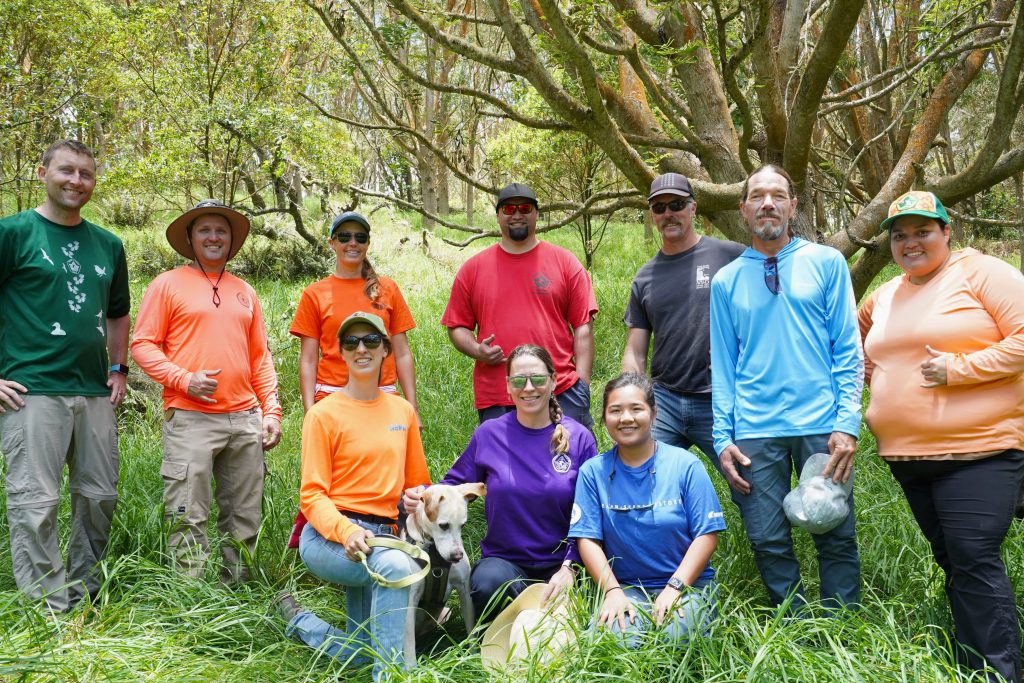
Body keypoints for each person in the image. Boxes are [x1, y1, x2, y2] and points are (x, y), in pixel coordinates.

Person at [859, 191, 1024, 683]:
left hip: (980, 449)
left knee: (972, 558)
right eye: (900, 235)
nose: (911, 243)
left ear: (947, 232)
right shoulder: (887, 294)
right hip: (907, 456)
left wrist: (961, 368)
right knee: (954, 560)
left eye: (923, 231)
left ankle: (999, 673)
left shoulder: (981, 272)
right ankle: (972, 662)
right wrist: (880, 388)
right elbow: (858, 342)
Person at [709, 164, 863, 611]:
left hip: (821, 424)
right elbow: (723, 365)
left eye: (778, 194)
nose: (768, 203)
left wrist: (847, 423)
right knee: (766, 536)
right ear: (743, 209)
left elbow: (847, 350)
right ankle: (793, 627)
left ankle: (842, 626)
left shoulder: (826, 262)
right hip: (755, 429)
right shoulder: (726, 281)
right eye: (757, 196)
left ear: (794, 205)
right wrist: (722, 437)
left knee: (833, 528)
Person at [0, 140, 130, 612]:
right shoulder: (12, 233)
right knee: (36, 503)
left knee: (99, 497)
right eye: (67, 171)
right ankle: (49, 607)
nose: (77, 181)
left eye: (86, 174)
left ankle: (86, 592)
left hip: (94, 393)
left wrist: (119, 368)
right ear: (42, 172)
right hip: (30, 392)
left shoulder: (109, 245)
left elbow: (117, 313)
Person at [131, 199, 282, 582]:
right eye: (205, 230)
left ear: (232, 240)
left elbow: (260, 356)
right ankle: (190, 595)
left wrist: (272, 411)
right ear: (190, 238)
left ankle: (238, 592)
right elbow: (143, 345)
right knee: (187, 512)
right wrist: (184, 379)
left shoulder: (245, 291)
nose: (214, 237)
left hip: (245, 417)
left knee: (245, 515)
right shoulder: (167, 284)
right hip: (190, 417)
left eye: (221, 231)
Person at [279, 311, 430, 682]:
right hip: (330, 538)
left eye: (371, 341)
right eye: (351, 342)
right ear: (341, 354)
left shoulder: (402, 412)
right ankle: (394, 675)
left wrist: (416, 498)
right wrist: (347, 532)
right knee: (398, 569)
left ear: (386, 351)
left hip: (383, 534)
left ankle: (299, 621)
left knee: (362, 650)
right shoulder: (322, 415)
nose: (361, 348)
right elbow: (312, 496)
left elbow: (418, 484)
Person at [404, 344, 598, 620]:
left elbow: (593, 513)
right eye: (519, 380)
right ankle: (521, 621)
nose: (528, 387)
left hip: (562, 563)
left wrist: (570, 567)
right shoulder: (490, 434)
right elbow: (453, 484)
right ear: (508, 387)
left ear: (554, 380)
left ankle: (540, 618)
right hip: (506, 563)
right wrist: (422, 495)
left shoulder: (579, 438)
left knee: (563, 624)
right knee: (485, 585)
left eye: (538, 379)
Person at [286, 210, 417, 548]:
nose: (352, 243)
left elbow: (401, 352)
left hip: (383, 395)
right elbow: (308, 358)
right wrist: (309, 409)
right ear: (332, 243)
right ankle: (320, 546)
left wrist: (411, 407)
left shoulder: (386, 289)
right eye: (344, 237)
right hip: (332, 399)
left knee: (390, 474)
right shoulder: (316, 293)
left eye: (359, 237)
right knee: (327, 482)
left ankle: (392, 540)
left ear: (368, 243)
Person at [569, 372, 725, 644]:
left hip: (688, 587)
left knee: (674, 641)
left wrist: (674, 588)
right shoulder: (592, 472)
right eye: (615, 410)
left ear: (654, 413)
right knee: (616, 646)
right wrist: (612, 591)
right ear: (605, 418)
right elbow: (587, 539)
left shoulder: (685, 465)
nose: (626, 418)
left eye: (636, 409)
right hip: (626, 588)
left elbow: (707, 536)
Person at [441, 182, 598, 428]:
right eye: (508, 209)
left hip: (561, 389)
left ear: (537, 214)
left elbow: (583, 326)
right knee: (501, 467)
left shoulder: (565, 262)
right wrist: (476, 349)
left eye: (524, 208)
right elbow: (457, 326)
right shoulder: (473, 269)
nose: (516, 214)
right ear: (498, 216)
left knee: (570, 463)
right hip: (498, 394)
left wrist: (583, 386)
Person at [621, 173, 743, 472]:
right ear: (652, 215)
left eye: (676, 204)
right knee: (637, 473)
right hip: (664, 400)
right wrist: (631, 395)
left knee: (747, 481)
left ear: (693, 208)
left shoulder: (730, 255)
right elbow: (635, 351)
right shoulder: (645, 277)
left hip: (721, 398)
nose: (668, 214)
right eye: (659, 208)